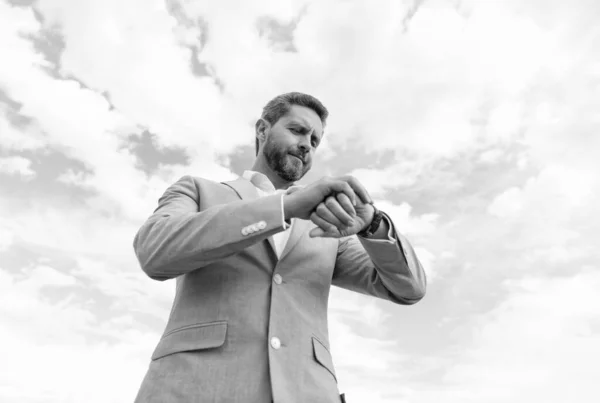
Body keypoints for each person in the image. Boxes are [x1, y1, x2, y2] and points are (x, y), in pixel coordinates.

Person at [132, 92, 427, 403]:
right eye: (298, 131)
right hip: (194, 389)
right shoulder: (197, 190)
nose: (306, 145)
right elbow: (154, 251)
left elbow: (408, 289)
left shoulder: (325, 226)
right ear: (262, 130)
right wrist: (283, 208)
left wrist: (373, 225)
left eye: (314, 141)